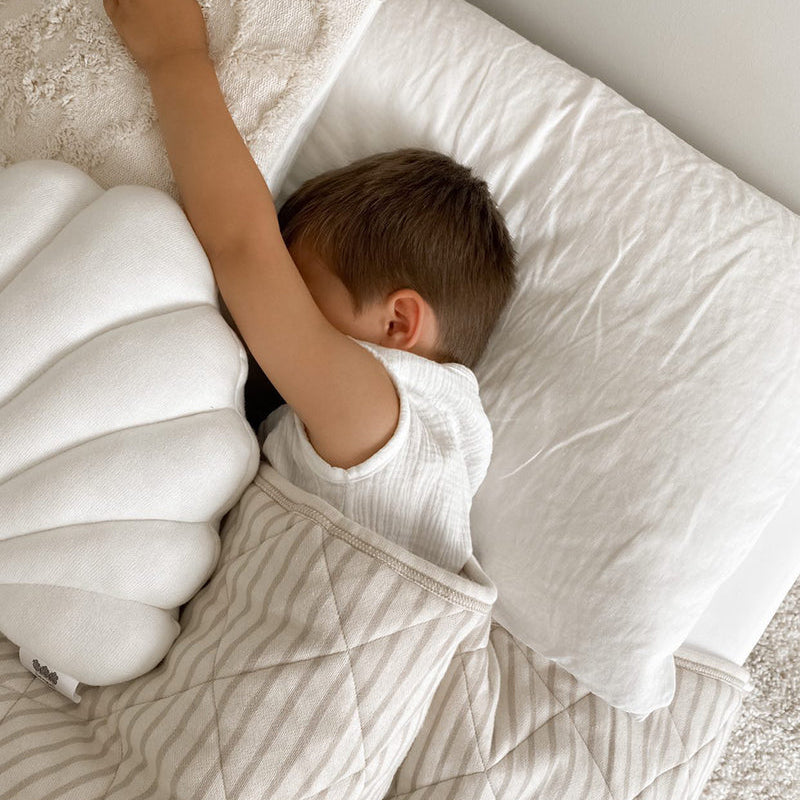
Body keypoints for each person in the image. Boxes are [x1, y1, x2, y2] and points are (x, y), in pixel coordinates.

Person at [104, 0, 516, 572]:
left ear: (398, 322)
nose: (273, 305)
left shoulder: (379, 418)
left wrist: (175, 56)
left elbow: (242, 245)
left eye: (298, 288)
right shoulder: (399, 452)